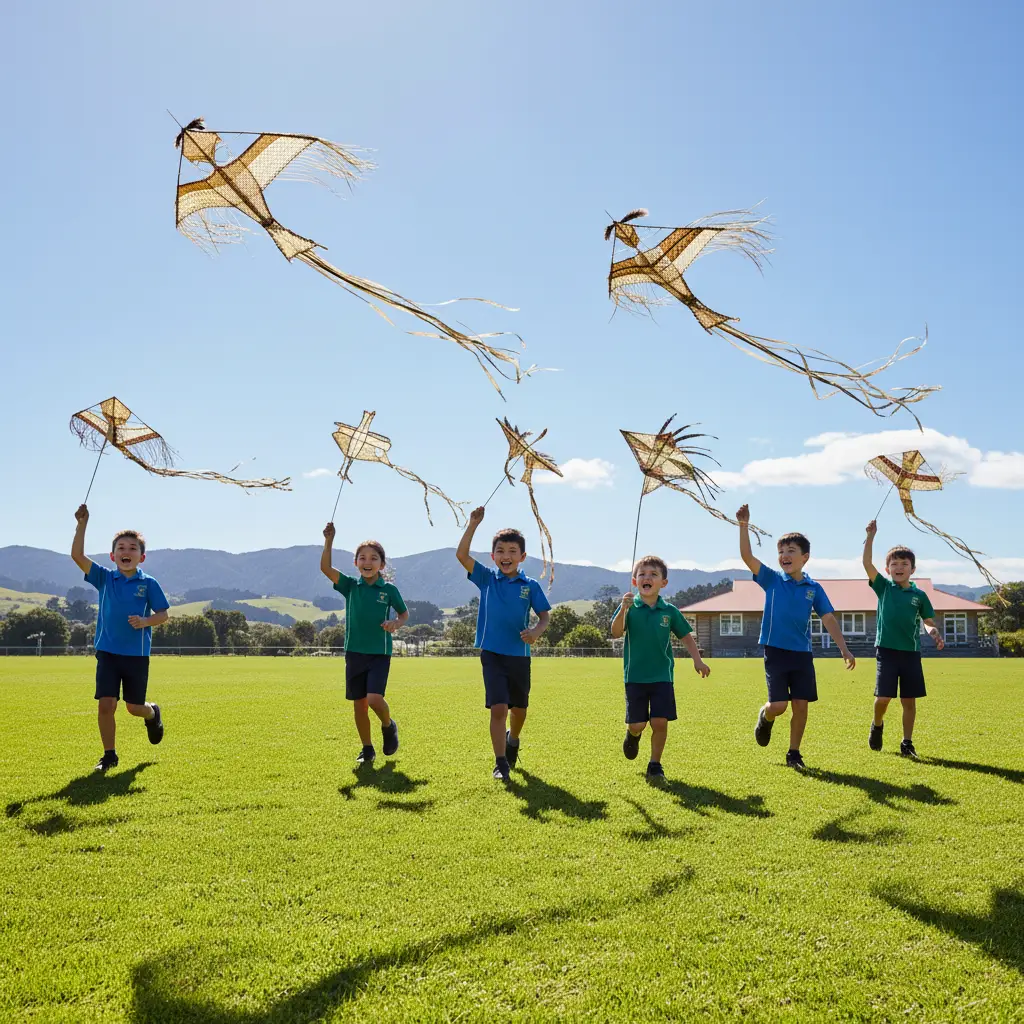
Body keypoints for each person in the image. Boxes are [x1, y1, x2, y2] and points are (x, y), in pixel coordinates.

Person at [737, 504, 855, 768]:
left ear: (805, 557)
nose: (784, 556)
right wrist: (744, 526)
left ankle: (794, 753)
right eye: (781, 552)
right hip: (775, 651)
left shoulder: (814, 588)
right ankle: (765, 717)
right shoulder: (772, 579)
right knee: (779, 706)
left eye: (791, 551)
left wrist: (844, 649)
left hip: (802, 654)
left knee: (801, 705)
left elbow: (828, 618)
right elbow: (747, 556)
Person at [71, 505, 169, 773]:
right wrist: (82, 524)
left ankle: (152, 713)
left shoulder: (149, 583)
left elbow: (163, 615)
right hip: (107, 652)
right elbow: (77, 555)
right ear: (113, 555)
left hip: (136, 655)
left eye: (132, 548)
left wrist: (146, 621)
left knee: (134, 707)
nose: (127, 552)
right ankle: (109, 755)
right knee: (106, 703)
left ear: (142, 557)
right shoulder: (104, 578)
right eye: (122, 548)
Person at [456, 506, 551, 783]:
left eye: (512, 552)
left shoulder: (530, 585)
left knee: (518, 710)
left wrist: (536, 631)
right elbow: (461, 555)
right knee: (498, 708)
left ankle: (514, 739)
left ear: (522, 556)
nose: (506, 556)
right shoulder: (486, 578)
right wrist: (473, 524)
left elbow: (545, 616)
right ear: (493, 555)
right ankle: (500, 763)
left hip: (519, 655)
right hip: (492, 654)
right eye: (500, 551)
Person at [609, 555, 710, 780]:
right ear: (634, 581)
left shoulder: (669, 611)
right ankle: (632, 735)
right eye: (642, 574)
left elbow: (686, 636)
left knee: (659, 721)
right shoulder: (629, 607)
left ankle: (655, 765)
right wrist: (623, 609)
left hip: (662, 676)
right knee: (638, 724)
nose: (647, 578)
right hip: (635, 677)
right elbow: (616, 632)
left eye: (653, 574)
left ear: (663, 582)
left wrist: (697, 660)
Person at [320, 522, 408, 765]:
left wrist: (395, 624)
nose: (367, 562)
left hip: (379, 653)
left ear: (382, 563)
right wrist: (329, 540)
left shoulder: (389, 589)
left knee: (373, 699)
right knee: (359, 705)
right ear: (356, 562)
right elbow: (325, 568)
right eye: (362, 558)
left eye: (373, 558)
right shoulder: (350, 585)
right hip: (354, 653)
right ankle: (367, 748)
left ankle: (388, 726)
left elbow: (403, 615)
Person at [862, 520, 944, 758]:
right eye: (894, 564)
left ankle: (907, 743)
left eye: (904, 564)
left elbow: (927, 621)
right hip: (886, 651)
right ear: (887, 569)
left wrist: (933, 632)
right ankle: (877, 724)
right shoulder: (884, 588)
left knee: (909, 701)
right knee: (884, 698)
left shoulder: (919, 595)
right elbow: (866, 563)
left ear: (912, 569)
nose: (899, 567)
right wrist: (870, 536)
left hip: (911, 653)